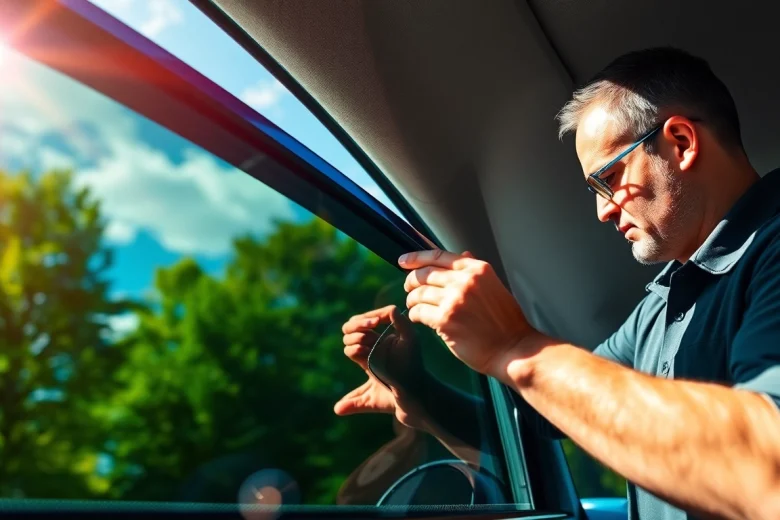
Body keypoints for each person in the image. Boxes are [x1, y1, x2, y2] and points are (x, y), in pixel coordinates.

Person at [336, 47, 780, 520]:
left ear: (681, 142)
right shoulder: (665, 298)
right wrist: (419, 390)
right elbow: (554, 413)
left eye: (609, 177)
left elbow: (767, 466)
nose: (603, 210)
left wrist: (516, 345)